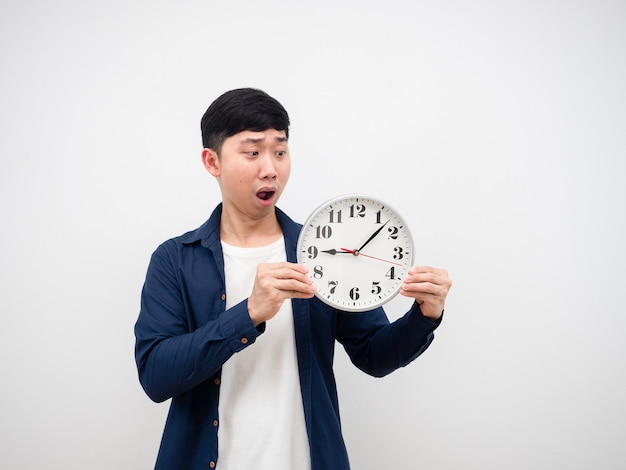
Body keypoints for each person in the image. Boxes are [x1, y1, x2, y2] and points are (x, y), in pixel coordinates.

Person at [134, 87, 452, 470]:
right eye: (252, 152)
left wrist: (424, 315)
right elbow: (156, 376)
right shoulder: (175, 260)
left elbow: (374, 355)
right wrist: (248, 313)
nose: (270, 168)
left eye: (280, 151)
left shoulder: (323, 250)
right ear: (212, 161)